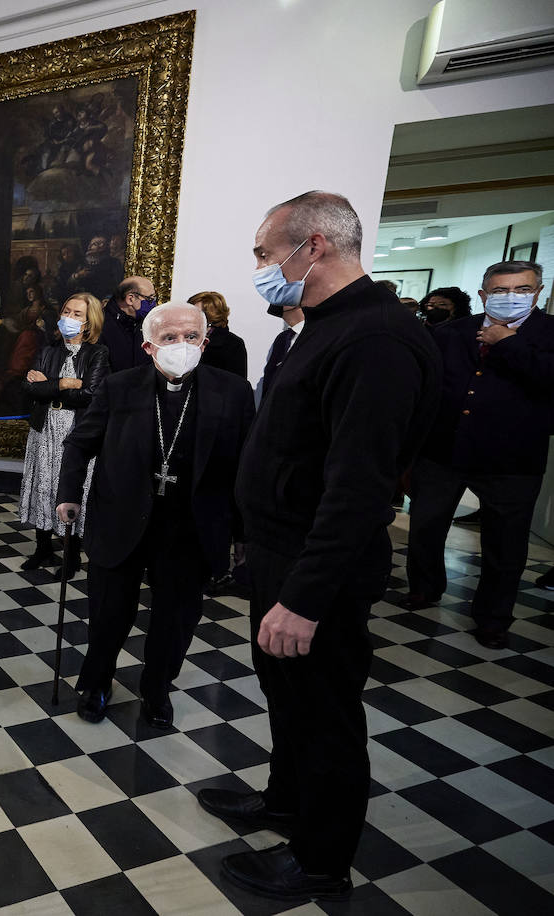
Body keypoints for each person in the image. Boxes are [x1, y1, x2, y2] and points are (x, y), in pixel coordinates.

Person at [199, 191, 440, 904]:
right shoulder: (327, 326)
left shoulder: (375, 338)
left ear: (315, 247)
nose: (261, 268)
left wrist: (302, 599)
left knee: (326, 713)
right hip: (281, 553)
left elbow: (359, 486)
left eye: (265, 253)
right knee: (287, 695)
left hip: (318, 570)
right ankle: (285, 799)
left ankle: (319, 856)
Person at [57, 302, 253, 729]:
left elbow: (243, 468)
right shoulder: (119, 387)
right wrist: (68, 494)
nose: (180, 345)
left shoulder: (233, 392)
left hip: (191, 525)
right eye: (169, 338)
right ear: (149, 346)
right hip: (121, 517)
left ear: (204, 342)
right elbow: (79, 443)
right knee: (110, 613)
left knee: (175, 620)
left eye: (190, 337)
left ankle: (157, 688)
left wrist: (242, 533)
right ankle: (96, 683)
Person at [399, 260, 552, 649]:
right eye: (500, 291)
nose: (510, 297)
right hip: (443, 451)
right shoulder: (451, 333)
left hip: (511, 459)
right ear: (484, 295)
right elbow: (426, 386)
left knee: (505, 545)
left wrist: (508, 343)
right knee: (426, 527)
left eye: (521, 289)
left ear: (537, 292)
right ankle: (425, 587)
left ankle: (493, 617)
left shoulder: (549, 334)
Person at [18, 293, 109, 576]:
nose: (69, 317)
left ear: (89, 321)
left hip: (75, 432)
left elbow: (91, 394)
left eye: (77, 314)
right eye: (67, 311)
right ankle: (42, 548)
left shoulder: (98, 353)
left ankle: (71, 557)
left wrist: (52, 386)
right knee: (41, 486)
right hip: (44, 429)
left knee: (69, 489)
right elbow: (30, 388)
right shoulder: (49, 350)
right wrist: (67, 382)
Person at [100, 276, 156, 372]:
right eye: (149, 299)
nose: (154, 303)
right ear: (130, 299)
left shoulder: (146, 322)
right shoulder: (101, 325)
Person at [190, 290, 248, 378]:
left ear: (211, 315)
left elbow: (237, 382)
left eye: (194, 313)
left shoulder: (233, 343)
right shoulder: (183, 338)